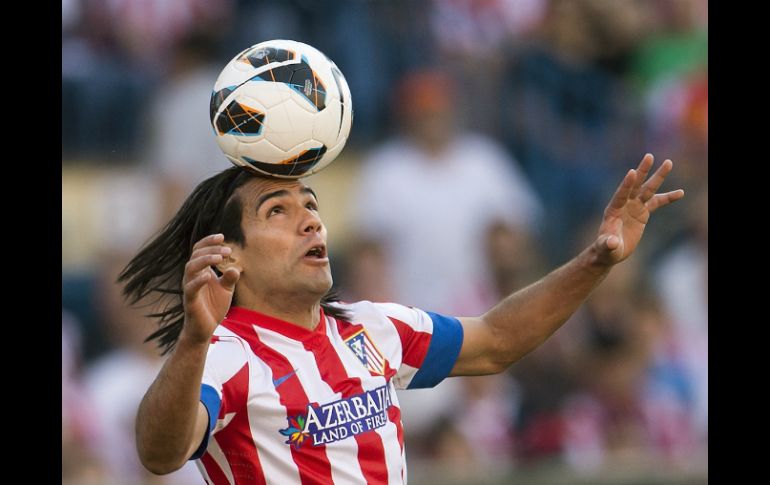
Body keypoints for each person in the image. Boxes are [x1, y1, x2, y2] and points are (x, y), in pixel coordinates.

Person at [119, 153, 683, 484]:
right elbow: (158, 452)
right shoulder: (223, 355)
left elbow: (497, 340)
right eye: (279, 212)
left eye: (311, 205)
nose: (311, 222)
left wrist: (595, 259)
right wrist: (195, 339)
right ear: (230, 256)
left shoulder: (373, 327)